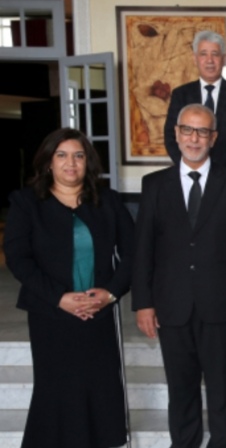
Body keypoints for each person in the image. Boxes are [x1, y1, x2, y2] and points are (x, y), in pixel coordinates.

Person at [132, 103, 226, 448]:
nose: (194, 138)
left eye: (202, 131)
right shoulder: (154, 185)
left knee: (221, 387)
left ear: (213, 138)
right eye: (187, 129)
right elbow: (143, 249)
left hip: (221, 304)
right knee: (180, 388)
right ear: (176, 133)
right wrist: (143, 303)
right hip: (171, 304)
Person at [4, 128, 134, 448]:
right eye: (61, 155)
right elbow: (19, 259)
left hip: (98, 314)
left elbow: (134, 254)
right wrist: (58, 298)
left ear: (88, 162)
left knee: (99, 390)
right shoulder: (26, 203)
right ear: (48, 162)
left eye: (78, 156)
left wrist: (110, 294)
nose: (70, 163)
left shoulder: (108, 201)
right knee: (57, 391)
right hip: (51, 315)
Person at [163, 30, 226, 170]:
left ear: (224, 59)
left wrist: (216, 170)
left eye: (215, 54)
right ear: (195, 59)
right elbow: (170, 135)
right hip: (190, 173)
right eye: (203, 54)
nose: (209, 60)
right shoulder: (181, 94)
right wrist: (189, 166)